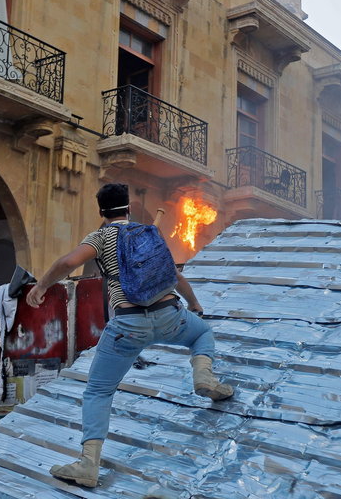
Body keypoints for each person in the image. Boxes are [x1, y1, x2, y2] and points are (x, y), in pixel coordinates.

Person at [26, 183, 233, 488]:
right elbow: (174, 276)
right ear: (128, 208)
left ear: (101, 212)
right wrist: (194, 303)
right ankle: (204, 377)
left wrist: (41, 286)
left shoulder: (100, 237)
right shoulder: (148, 233)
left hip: (127, 327)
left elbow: (68, 262)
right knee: (201, 334)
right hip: (169, 315)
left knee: (98, 391)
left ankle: (88, 464)